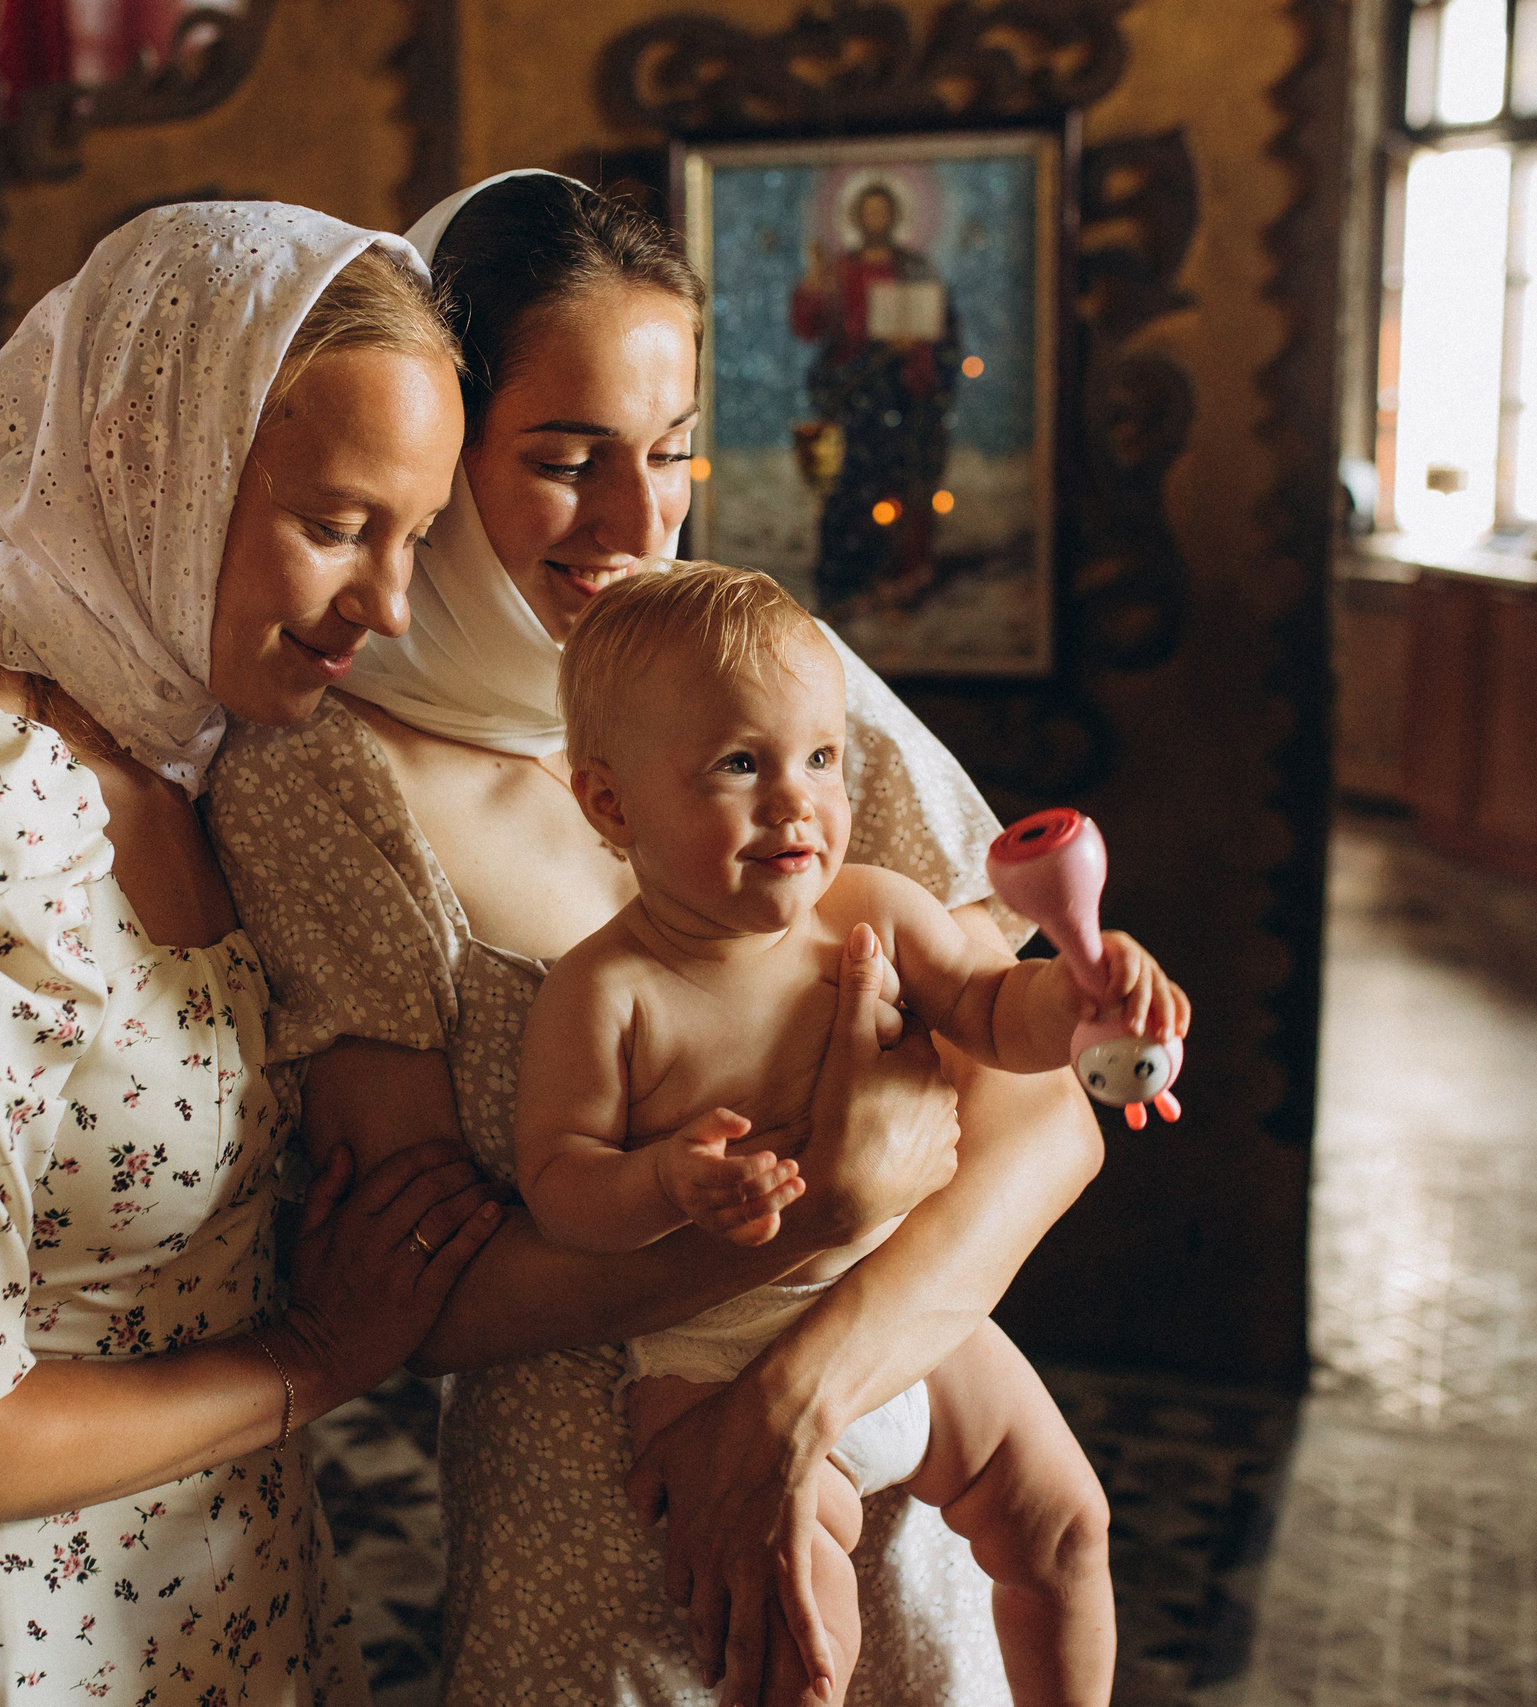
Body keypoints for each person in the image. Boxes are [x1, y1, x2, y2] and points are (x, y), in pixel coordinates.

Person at [209, 172, 1115, 1707]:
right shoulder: (325, 782)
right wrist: (816, 1207)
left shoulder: (772, 676)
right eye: (568, 462)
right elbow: (426, 1287)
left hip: (896, 1429)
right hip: (608, 1529)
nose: (639, 521)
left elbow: (1047, 1120)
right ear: (444, 439)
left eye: (676, 451)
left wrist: (795, 1395)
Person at [0, 203, 495, 1707]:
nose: (386, 606)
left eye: (412, 538)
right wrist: (316, 1355)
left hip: (218, 1609)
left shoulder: (183, 754)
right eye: (338, 525)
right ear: (162, 459)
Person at [515, 565, 1190, 1703]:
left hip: (901, 1316)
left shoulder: (869, 909)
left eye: (820, 758)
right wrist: (667, 1185)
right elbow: (559, 1182)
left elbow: (988, 1011)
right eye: (740, 764)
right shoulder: (607, 993)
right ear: (610, 805)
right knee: (794, 1643)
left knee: (1069, 1527)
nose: (796, 804)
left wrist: (1081, 997)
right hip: (717, 1359)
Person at [789, 180, 961, 611]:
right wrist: (815, 285)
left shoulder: (917, 269)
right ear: (855, 218)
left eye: (883, 212)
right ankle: (848, 581)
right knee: (849, 488)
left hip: (903, 394)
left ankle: (902, 576)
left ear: (896, 217)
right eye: (868, 212)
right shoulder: (839, 270)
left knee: (904, 482)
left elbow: (944, 330)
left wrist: (917, 349)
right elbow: (809, 326)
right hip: (853, 392)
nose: (876, 220)